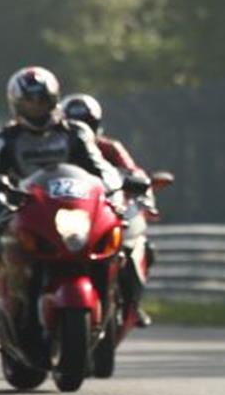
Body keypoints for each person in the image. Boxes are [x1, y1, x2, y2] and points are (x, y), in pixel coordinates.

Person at [0, 67, 123, 329]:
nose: (36, 107)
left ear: (53, 100)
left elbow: (101, 168)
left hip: (74, 206)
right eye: (30, 102)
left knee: (115, 242)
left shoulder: (75, 132)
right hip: (25, 208)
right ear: (17, 104)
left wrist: (114, 191)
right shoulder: (2, 139)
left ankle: (115, 299)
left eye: (42, 101)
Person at [61, 93, 156, 328]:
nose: (82, 129)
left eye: (87, 123)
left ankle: (132, 302)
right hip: (66, 214)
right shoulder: (56, 147)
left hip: (104, 211)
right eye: (75, 123)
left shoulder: (110, 147)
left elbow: (133, 172)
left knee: (136, 246)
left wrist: (143, 194)